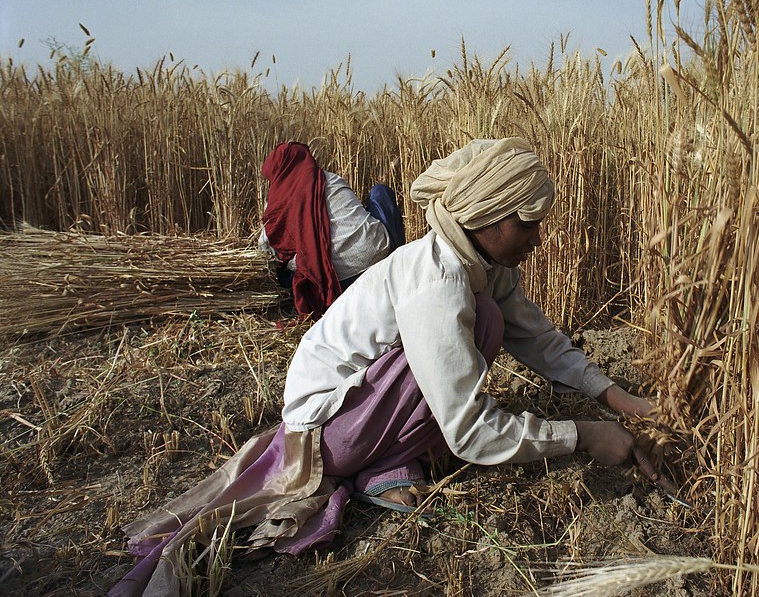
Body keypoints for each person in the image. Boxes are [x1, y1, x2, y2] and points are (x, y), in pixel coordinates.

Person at [110, 137, 658, 597]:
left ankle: (385, 461)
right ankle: (371, 463)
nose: (539, 239)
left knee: (490, 319)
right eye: (529, 224)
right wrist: (581, 436)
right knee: (476, 328)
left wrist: (612, 395)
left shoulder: (478, 261)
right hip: (330, 435)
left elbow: (534, 335)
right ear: (489, 219)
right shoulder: (436, 285)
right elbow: (468, 431)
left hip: (359, 413)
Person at [258, 141, 405, 319]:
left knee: (285, 273)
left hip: (334, 282)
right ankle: (398, 266)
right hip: (378, 257)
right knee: (380, 192)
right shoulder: (332, 180)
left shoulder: (275, 205)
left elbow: (266, 249)